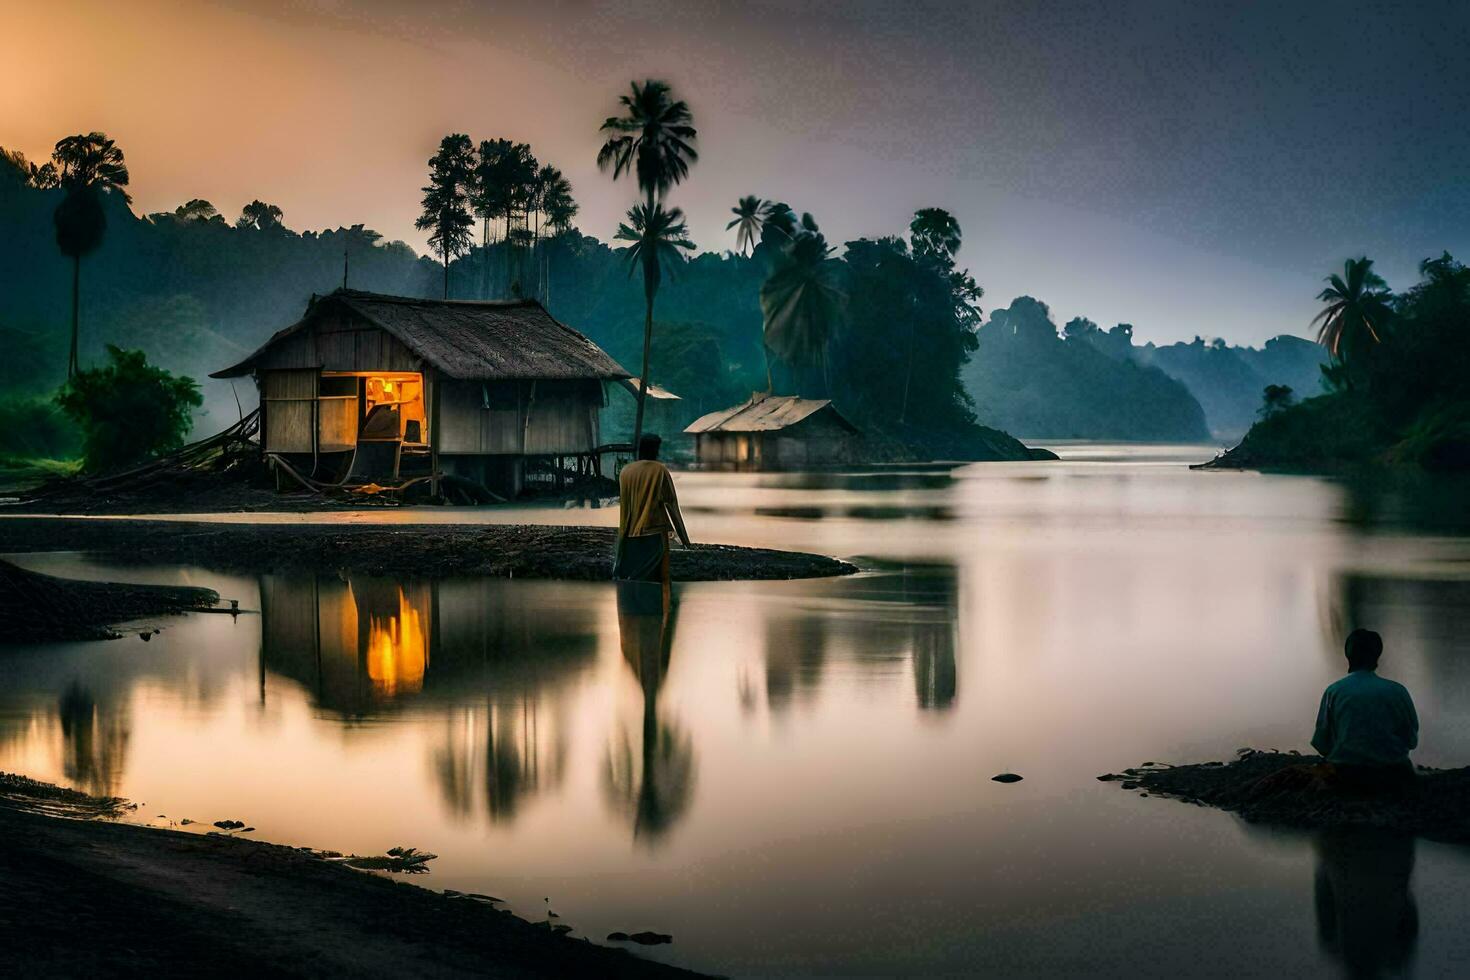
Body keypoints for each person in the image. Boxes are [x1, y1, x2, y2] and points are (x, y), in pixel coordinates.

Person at [1310, 629, 1419, 791]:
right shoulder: (1398, 691)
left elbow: (1321, 743)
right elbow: (1411, 740)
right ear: (1377, 656)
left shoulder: (1334, 691)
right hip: (1393, 773)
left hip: (1347, 774)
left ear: (1348, 655)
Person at [613, 434, 691, 589]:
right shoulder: (659, 470)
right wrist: (686, 541)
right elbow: (672, 506)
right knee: (658, 584)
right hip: (654, 537)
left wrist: (621, 544)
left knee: (633, 585)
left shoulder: (626, 471)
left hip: (630, 536)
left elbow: (625, 508)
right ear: (656, 450)